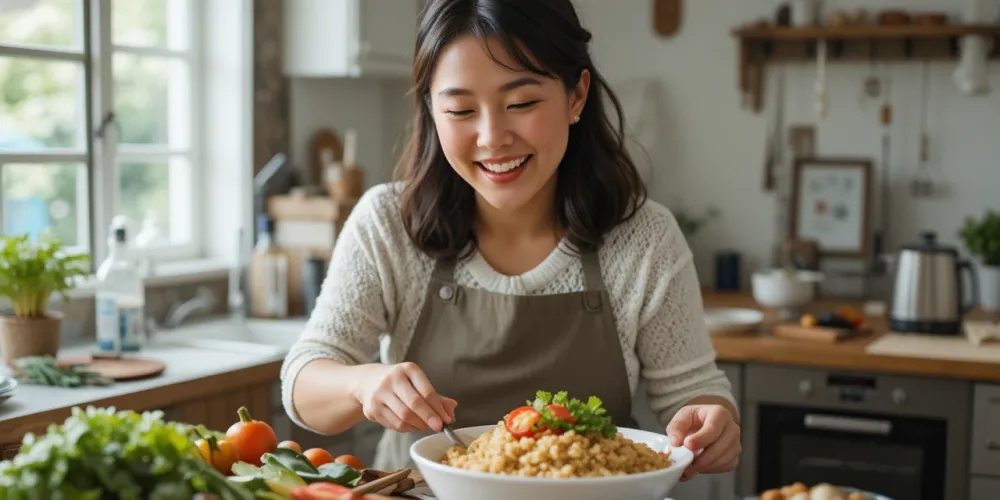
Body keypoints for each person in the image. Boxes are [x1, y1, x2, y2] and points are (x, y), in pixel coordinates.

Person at [280, 0, 741, 481]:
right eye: (460, 109)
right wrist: (362, 383)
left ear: (576, 96)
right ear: (431, 110)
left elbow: (692, 393)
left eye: (521, 103)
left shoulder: (644, 238)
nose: (492, 138)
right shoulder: (388, 223)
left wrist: (711, 422)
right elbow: (304, 382)